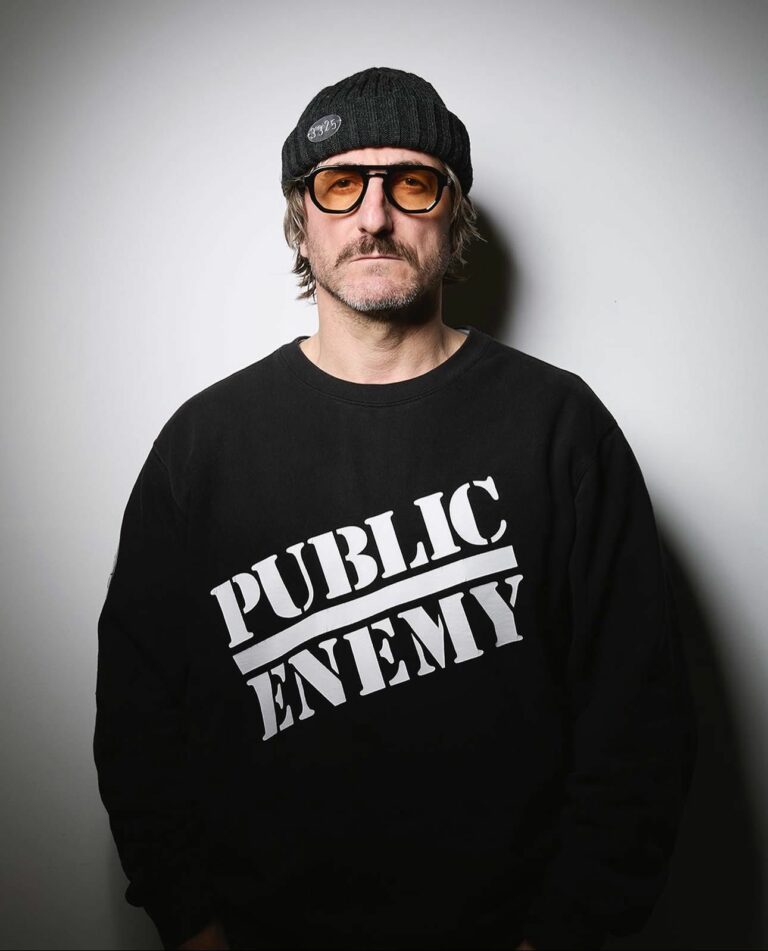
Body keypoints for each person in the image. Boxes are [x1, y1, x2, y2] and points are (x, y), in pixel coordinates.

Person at [94, 66, 697, 951]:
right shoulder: (202, 448)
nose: (374, 217)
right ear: (301, 219)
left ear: (454, 213)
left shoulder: (560, 428)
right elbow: (139, 725)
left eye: (411, 183)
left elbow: (639, 723)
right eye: (341, 184)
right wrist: (194, 928)